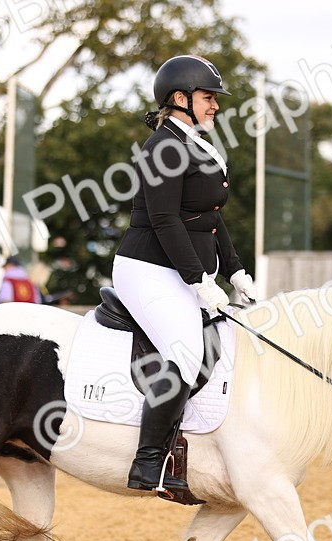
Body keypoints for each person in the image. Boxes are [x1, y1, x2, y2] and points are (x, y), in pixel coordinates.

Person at [111, 54, 256, 499]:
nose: (215, 105)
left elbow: (210, 218)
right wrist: (198, 279)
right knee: (186, 352)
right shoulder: (163, 148)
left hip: (181, 268)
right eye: (208, 97)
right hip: (148, 269)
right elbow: (164, 219)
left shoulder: (194, 143)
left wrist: (235, 270)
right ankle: (149, 460)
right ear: (180, 97)